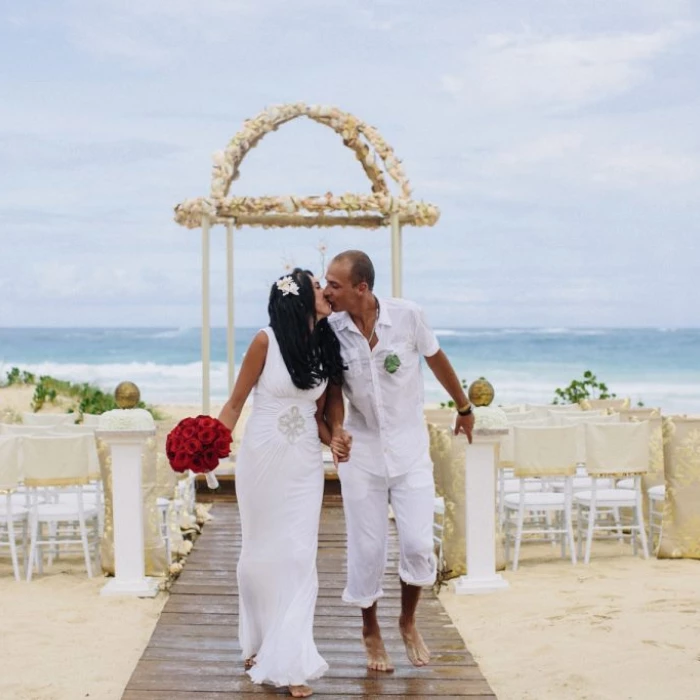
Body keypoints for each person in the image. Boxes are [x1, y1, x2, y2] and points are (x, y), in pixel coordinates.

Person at [323, 250, 474, 672]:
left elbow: (437, 359)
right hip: (363, 455)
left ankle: (407, 621)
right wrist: (336, 431)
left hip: (410, 451)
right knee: (367, 548)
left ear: (362, 288)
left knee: (417, 544)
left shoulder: (408, 317)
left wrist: (463, 407)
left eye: (334, 284)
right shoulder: (331, 330)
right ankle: (369, 628)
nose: (327, 290)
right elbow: (334, 392)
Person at [218, 268, 347, 698]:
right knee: (258, 552)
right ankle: (257, 641)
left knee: (297, 553)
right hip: (260, 459)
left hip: (304, 463)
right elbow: (235, 403)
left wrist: (338, 442)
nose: (326, 293)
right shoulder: (265, 341)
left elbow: (322, 417)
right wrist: (210, 443)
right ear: (297, 298)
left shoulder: (327, 341)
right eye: (317, 288)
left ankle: (290, 660)